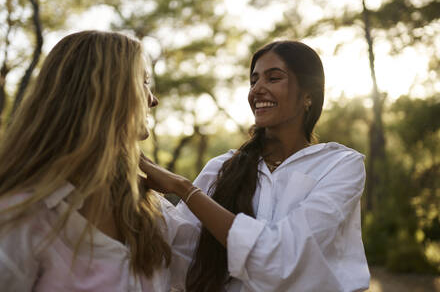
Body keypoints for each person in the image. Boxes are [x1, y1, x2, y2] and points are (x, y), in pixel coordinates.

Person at [140, 40, 371, 292]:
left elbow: (284, 257)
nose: (257, 89)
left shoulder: (339, 166)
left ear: (308, 95)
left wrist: (183, 188)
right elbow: (178, 248)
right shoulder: (221, 168)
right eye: (253, 81)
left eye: (273, 78)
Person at [0, 30, 196, 291]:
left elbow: (226, 269)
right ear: (108, 93)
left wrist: (183, 188)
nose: (153, 100)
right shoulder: (21, 216)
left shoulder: (148, 209)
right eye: (144, 82)